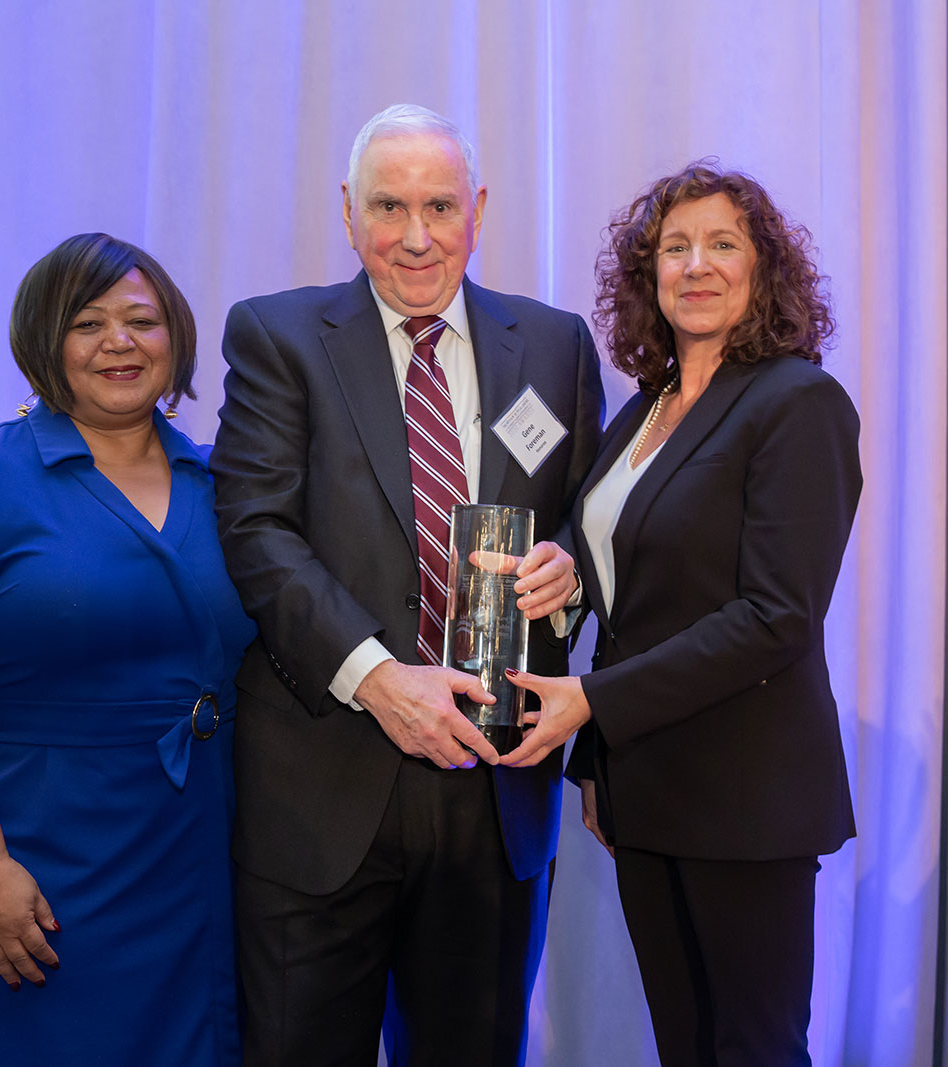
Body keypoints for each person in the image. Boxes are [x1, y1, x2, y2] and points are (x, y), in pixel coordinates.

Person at [211, 104, 604, 1065]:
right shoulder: (278, 336)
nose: (416, 236)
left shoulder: (555, 346)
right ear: (349, 213)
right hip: (321, 781)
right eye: (389, 206)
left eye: (439, 205)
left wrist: (573, 570)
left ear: (477, 210)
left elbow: (594, 521)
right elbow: (256, 532)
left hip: (494, 785)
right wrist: (380, 679)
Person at [501, 162, 862, 1065]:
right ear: (648, 274)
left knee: (753, 1047)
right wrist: (569, 573)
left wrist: (591, 702)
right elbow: (636, 573)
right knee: (686, 1046)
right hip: (645, 787)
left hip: (747, 793)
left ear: (763, 268)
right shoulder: (644, 409)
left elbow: (777, 615)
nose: (695, 265)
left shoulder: (796, 401)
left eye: (722, 244)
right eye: (674, 248)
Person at [0, 233, 253, 1066]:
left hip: (195, 864)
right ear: (44, 341)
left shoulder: (226, 485)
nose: (120, 341)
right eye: (88, 322)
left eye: (142, 321)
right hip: (35, 872)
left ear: (177, 339)